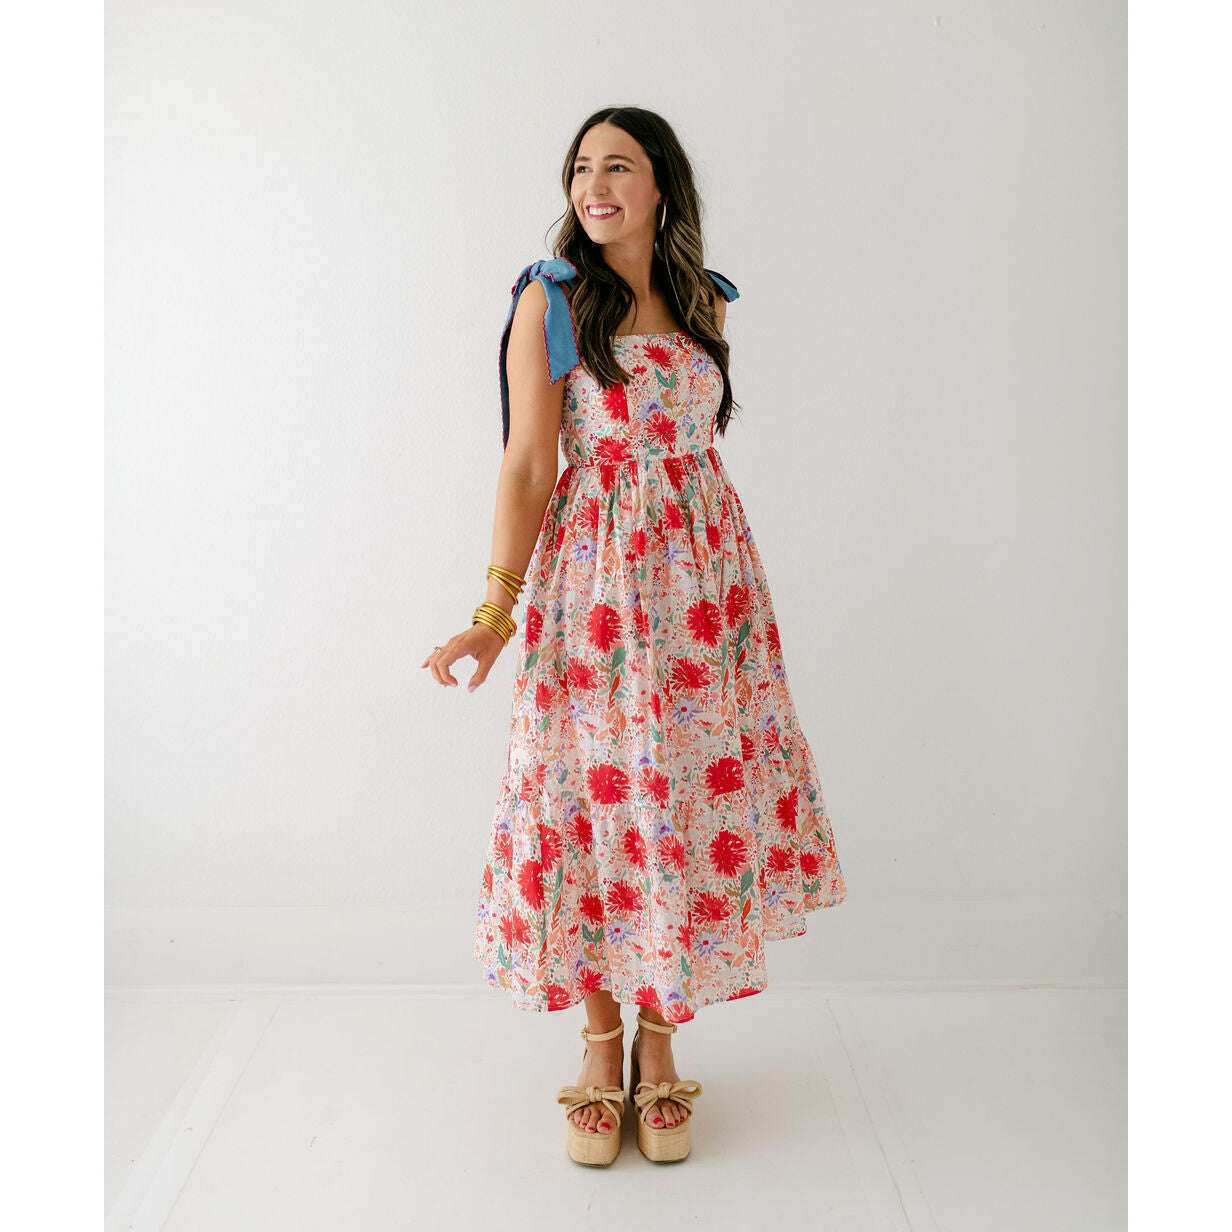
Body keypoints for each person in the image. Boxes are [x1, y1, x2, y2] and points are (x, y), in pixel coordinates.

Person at [422, 106, 847, 1166]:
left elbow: (699, 441)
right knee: (599, 799)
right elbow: (530, 462)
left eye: (618, 165)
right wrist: (492, 614)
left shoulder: (705, 298)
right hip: (599, 591)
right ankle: (599, 1042)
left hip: (705, 586)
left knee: (685, 795)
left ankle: (661, 1042)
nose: (594, 185)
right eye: (581, 167)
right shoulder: (552, 299)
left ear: (662, 185)